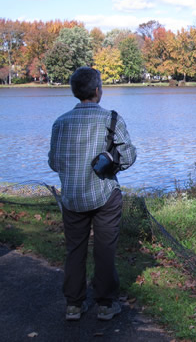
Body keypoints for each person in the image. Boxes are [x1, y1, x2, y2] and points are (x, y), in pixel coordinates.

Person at [48, 67, 136, 321]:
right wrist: (112, 161)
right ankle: (106, 305)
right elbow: (128, 156)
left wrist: (74, 171)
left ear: (76, 92)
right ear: (97, 90)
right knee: (104, 248)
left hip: (72, 196)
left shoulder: (60, 123)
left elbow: (54, 161)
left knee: (74, 249)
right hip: (105, 193)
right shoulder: (112, 119)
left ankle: (74, 305)